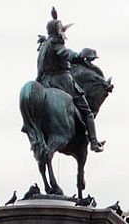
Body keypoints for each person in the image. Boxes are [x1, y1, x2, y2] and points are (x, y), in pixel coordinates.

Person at [36, 8, 104, 152]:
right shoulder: (56, 44)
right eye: (62, 30)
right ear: (58, 31)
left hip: (44, 82)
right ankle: (93, 142)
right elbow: (65, 53)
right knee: (87, 111)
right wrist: (78, 55)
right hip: (61, 81)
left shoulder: (44, 45)